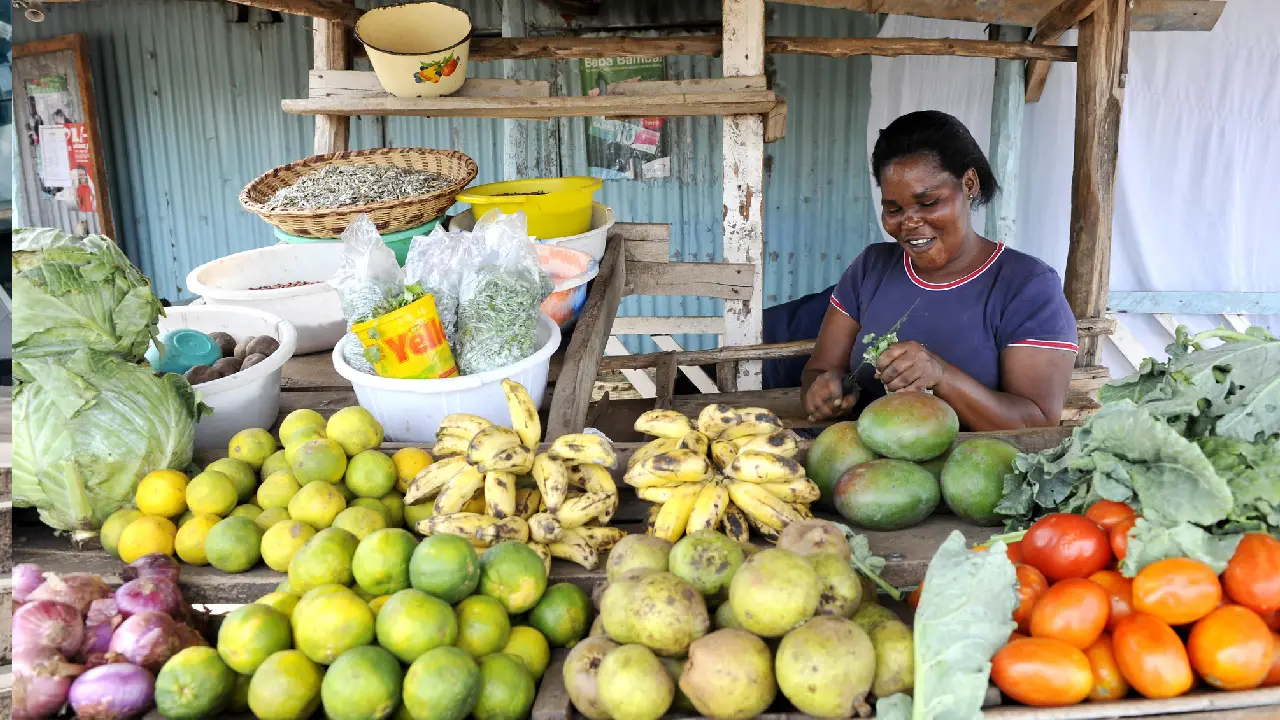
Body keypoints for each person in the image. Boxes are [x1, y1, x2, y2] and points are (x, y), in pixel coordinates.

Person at [801, 110, 1079, 431]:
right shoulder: (871, 267)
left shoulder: (1027, 285)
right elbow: (818, 370)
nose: (909, 222)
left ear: (969, 183)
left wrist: (941, 375)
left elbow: (1038, 421)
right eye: (894, 209)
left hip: (973, 472)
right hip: (864, 470)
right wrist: (824, 392)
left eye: (929, 202)